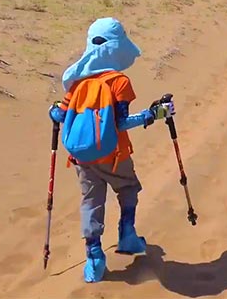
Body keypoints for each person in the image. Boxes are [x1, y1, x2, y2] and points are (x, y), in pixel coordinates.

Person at [49, 17, 176, 283]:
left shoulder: (77, 83)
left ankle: (94, 258)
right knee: (128, 189)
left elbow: (60, 116)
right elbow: (120, 123)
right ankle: (127, 235)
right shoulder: (119, 82)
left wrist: (52, 111)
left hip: (82, 158)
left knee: (91, 202)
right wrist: (153, 115)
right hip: (115, 156)